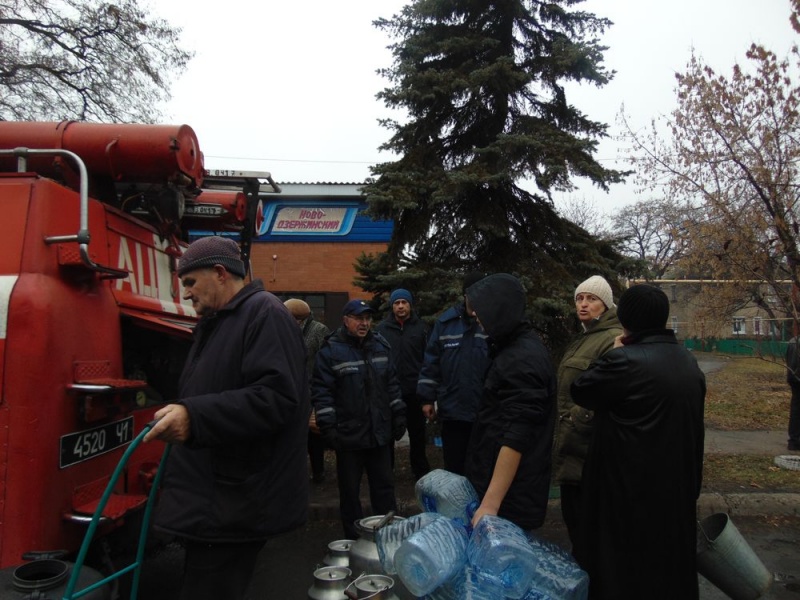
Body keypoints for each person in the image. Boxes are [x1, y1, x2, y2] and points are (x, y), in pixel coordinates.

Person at [143, 236, 309, 600]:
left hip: (234, 505)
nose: (186, 293)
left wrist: (194, 417)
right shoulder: (221, 322)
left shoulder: (265, 313)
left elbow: (275, 399)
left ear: (220, 273)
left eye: (190, 282)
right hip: (216, 501)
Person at [571, 284, 705, 600]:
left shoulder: (624, 362)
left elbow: (581, 390)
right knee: (667, 571)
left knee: (623, 573)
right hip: (675, 487)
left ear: (625, 317)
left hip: (627, 492)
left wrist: (615, 351)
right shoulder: (688, 361)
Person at [463, 273, 556, 530]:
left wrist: (491, 504)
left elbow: (516, 435)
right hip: (507, 495)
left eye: (480, 309)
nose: (474, 315)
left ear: (498, 309)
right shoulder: (511, 349)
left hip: (511, 501)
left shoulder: (521, 358)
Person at [311, 299, 406, 539]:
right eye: (358, 318)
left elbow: (392, 386)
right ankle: (353, 541)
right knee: (350, 493)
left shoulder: (381, 346)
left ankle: (388, 537)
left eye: (367, 318)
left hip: (379, 434)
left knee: (384, 489)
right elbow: (322, 393)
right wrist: (328, 427)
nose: (364, 323)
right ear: (346, 320)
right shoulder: (331, 351)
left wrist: (398, 416)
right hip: (348, 436)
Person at [551, 275, 622, 549]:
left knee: (587, 532)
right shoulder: (585, 337)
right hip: (573, 447)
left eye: (591, 299)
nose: (583, 304)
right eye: (579, 298)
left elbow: (608, 390)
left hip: (587, 451)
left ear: (605, 304)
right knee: (578, 527)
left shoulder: (609, 339)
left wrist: (574, 418)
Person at [417, 271, 490, 475]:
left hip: (484, 412)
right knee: (455, 469)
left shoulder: (492, 324)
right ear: (465, 294)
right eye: (474, 293)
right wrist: (427, 399)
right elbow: (431, 362)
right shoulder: (445, 323)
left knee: (482, 468)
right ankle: (457, 507)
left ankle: (482, 507)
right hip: (453, 410)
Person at [376, 288, 430, 479]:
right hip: (391, 391)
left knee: (417, 434)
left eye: (404, 302)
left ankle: (420, 471)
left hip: (415, 391)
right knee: (389, 433)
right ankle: (386, 470)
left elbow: (428, 359)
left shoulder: (421, 328)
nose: (400, 306)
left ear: (410, 305)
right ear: (392, 306)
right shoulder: (381, 329)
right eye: (397, 303)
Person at [284, 298, 332, 483]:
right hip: (290, 391)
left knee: (314, 436)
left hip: (312, 391)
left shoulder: (319, 331)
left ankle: (318, 472)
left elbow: (326, 361)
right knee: (293, 436)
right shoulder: (284, 330)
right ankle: (295, 473)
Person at [785, 336, 800, 451]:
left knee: (796, 409)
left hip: (793, 378)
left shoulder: (792, 341)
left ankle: (793, 441)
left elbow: (788, 359)